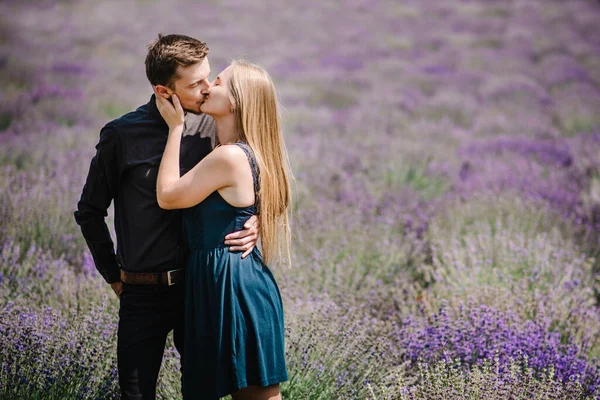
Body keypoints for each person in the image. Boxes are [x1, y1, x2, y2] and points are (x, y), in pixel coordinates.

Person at [74, 34, 259, 400]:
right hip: (142, 291)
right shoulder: (122, 135)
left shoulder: (211, 128)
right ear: (163, 90)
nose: (207, 89)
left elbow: (256, 172)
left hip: (201, 286)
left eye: (208, 77)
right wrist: (115, 278)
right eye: (195, 84)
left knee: (205, 392)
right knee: (135, 394)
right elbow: (89, 212)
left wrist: (258, 218)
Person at [155, 59, 291, 399]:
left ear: (235, 101)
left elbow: (168, 197)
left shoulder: (229, 156)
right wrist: (258, 217)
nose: (206, 87)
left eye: (217, 81)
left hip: (232, 285)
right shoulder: (240, 152)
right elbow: (276, 197)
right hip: (221, 281)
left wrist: (175, 128)